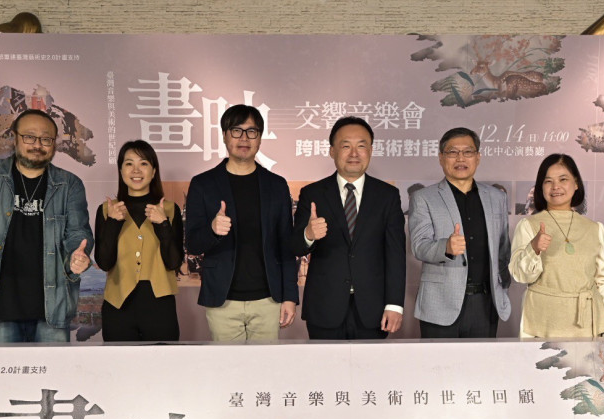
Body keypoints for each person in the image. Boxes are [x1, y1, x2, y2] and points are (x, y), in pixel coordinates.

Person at [0, 108, 92, 343]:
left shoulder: (70, 184)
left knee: (54, 368)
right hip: (2, 301)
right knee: (7, 368)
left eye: (46, 139)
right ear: (14, 137)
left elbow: (78, 232)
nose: (37, 144)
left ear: (54, 144)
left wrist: (77, 257)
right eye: (29, 137)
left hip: (53, 303)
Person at [184, 105, 298, 341]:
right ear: (225, 135)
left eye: (251, 131)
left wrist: (289, 296)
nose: (244, 138)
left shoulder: (276, 185)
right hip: (223, 300)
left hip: (268, 300)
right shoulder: (203, 184)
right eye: (236, 130)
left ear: (260, 138)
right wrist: (212, 230)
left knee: (266, 364)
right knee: (227, 364)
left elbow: (286, 246)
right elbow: (192, 244)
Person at [292, 116, 406, 339]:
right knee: (326, 362)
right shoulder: (313, 194)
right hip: (324, 308)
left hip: (373, 310)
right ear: (332, 151)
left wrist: (394, 305)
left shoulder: (387, 196)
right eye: (346, 146)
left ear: (371, 150)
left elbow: (395, 254)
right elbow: (295, 247)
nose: (354, 153)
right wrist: (308, 234)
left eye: (361, 146)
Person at [408, 127, 511, 338]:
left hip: (485, 304)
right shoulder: (424, 198)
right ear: (441, 157)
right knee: (439, 360)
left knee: (482, 360)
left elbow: (503, 249)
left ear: (478, 157)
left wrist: (502, 287)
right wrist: (445, 247)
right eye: (452, 152)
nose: (460, 158)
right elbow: (419, 246)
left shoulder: (497, 198)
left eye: (468, 152)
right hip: (440, 304)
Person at [509, 154, 604, 338]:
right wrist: (534, 248)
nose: (556, 187)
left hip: (587, 319)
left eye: (563, 179)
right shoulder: (528, 225)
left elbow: (602, 279)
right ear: (541, 187)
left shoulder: (594, 228)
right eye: (548, 181)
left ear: (576, 183)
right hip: (543, 319)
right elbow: (521, 276)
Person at [94, 140, 184, 341]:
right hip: (118, 306)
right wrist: (113, 223)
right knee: (119, 361)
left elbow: (174, 262)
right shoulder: (107, 210)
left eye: (143, 163)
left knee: (162, 360)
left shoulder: (170, 210)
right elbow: (104, 262)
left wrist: (163, 224)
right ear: (121, 170)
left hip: (160, 306)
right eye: (129, 163)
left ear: (153, 171)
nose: (136, 170)